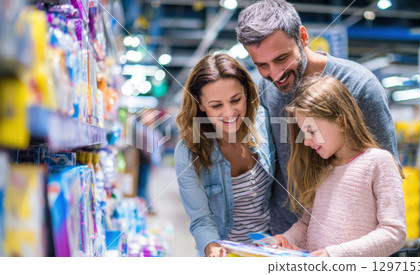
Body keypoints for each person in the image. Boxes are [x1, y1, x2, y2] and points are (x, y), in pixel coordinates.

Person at [236, 0, 401, 235]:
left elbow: (389, 173)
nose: (275, 74)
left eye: (282, 58)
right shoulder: (263, 87)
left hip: (346, 240)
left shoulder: (358, 85)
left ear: (303, 37)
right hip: (286, 235)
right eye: (262, 65)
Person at [272, 75, 406, 257]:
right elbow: (306, 224)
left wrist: (334, 254)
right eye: (304, 133)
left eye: (312, 131)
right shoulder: (322, 169)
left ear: (341, 121)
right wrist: (287, 240)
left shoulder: (379, 162)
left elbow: (394, 232)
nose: (307, 141)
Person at [174, 53, 276, 257]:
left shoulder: (265, 123)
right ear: (200, 105)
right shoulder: (188, 151)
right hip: (226, 254)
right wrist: (212, 247)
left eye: (235, 100)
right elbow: (201, 219)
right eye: (216, 105)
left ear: (246, 92)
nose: (229, 113)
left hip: (273, 250)